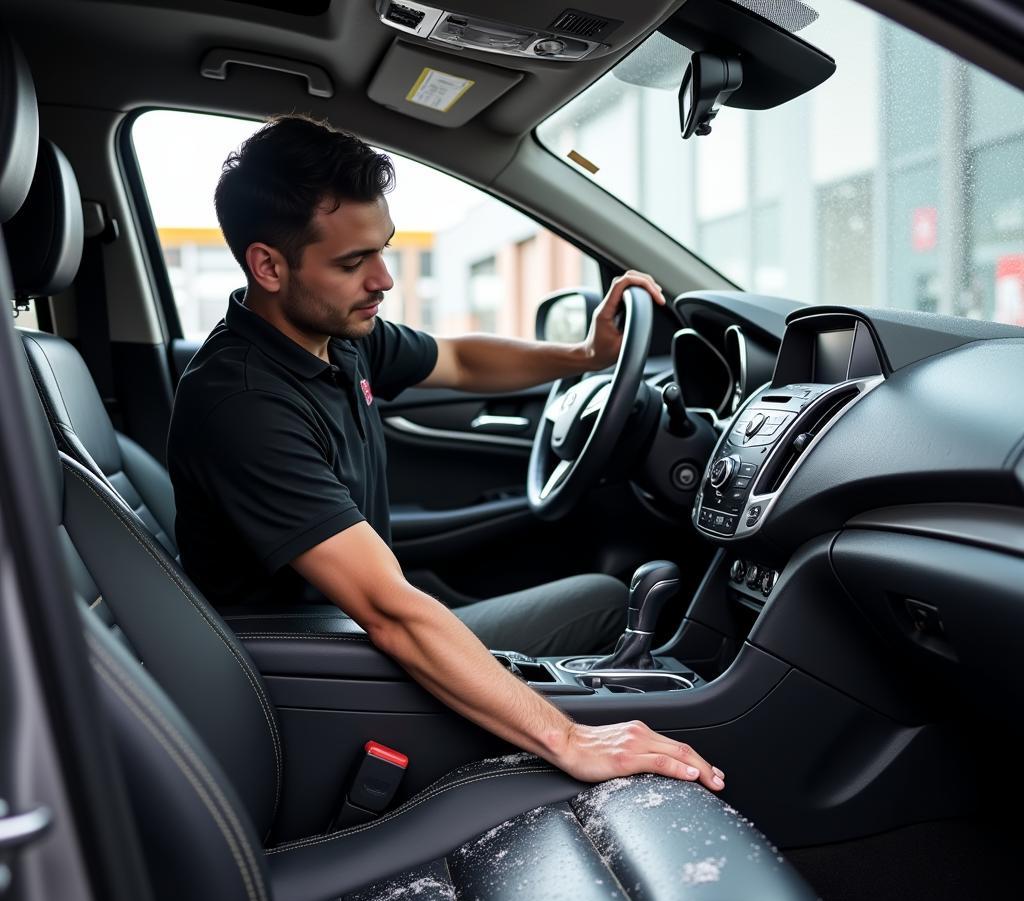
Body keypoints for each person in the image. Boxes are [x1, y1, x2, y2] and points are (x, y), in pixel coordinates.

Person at [167, 115, 725, 791]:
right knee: (604, 601)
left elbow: (458, 357)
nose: (383, 279)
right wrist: (572, 739)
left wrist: (584, 357)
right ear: (268, 265)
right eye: (353, 262)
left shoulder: (335, 334)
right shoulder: (243, 405)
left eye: (383, 250)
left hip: (351, 632)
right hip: (323, 671)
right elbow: (389, 611)